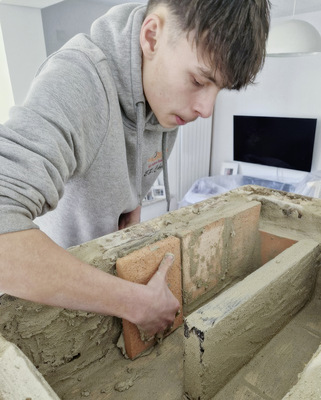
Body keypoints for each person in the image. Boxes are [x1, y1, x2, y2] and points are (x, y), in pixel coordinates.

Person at [0, 0, 270, 337]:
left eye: (219, 89)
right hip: (45, 311)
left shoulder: (164, 101)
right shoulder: (78, 81)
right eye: (200, 81)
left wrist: (131, 208)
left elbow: (130, 175)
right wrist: (134, 302)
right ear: (152, 37)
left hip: (102, 301)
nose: (206, 109)